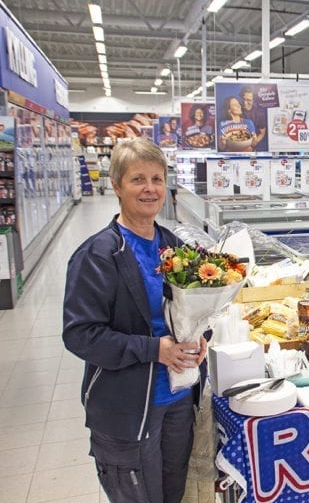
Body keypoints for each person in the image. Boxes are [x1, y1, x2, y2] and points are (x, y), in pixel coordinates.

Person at [63, 137, 208, 503]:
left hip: (176, 399)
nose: (150, 189)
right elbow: (80, 335)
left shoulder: (173, 245)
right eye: (138, 179)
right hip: (127, 410)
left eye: (157, 179)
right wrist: (152, 349)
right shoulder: (99, 255)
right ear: (116, 185)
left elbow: (193, 309)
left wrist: (203, 334)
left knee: (173, 493)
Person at [239, 85, 268, 151]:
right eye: (244, 99)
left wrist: (255, 141)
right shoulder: (236, 109)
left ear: (254, 100)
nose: (245, 102)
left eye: (248, 100)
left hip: (251, 149)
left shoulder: (259, 114)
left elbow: (262, 132)